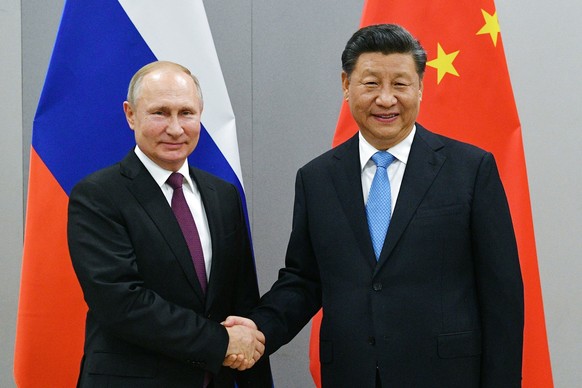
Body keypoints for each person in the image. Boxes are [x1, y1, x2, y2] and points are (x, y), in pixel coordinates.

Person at [224, 24, 524, 387]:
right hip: (353, 375)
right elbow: (304, 280)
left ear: (420, 88)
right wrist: (258, 329)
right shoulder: (317, 178)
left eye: (400, 84)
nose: (385, 99)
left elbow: (501, 295)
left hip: (447, 375)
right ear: (346, 86)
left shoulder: (470, 170)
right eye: (370, 84)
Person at [67, 61, 271, 387]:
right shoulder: (98, 196)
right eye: (160, 112)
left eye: (186, 113)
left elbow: (240, 299)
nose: (176, 128)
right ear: (130, 114)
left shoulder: (223, 195)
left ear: (201, 113)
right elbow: (122, 303)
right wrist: (220, 342)